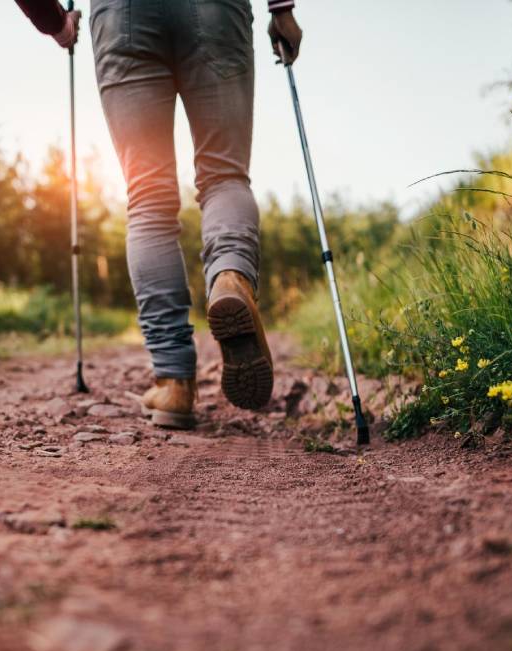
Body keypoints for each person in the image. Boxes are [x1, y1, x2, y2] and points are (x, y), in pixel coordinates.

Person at [15, 0, 304, 429]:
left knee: (148, 197)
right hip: (216, 12)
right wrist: (281, 9)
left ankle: (174, 383)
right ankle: (229, 276)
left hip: (123, 17)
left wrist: (54, 22)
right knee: (225, 176)